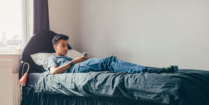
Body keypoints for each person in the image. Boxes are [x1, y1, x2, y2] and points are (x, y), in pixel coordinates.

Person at [48, 34, 178, 75]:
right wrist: (73, 62)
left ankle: (149, 70)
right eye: (63, 45)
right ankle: (150, 70)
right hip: (74, 68)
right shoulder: (52, 58)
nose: (66, 48)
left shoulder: (68, 57)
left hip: (78, 66)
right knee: (109, 62)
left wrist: (80, 60)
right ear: (55, 47)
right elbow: (53, 72)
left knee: (110, 62)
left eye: (66, 45)